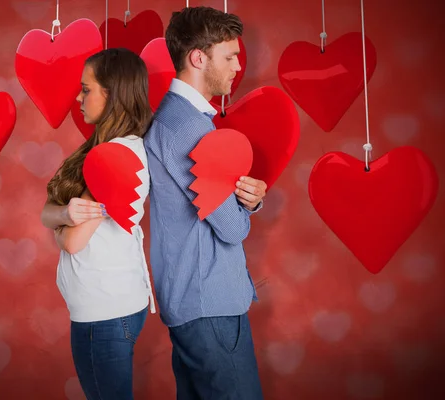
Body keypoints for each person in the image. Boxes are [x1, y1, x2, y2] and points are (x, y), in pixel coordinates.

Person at [143, 6, 267, 399]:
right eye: (229, 56)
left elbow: (215, 204)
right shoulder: (187, 127)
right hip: (209, 302)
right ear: (199, 58)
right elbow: (231, 228)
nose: (236, 66)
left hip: (195, 299)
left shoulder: (180, 119)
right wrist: (246, 209)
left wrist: (250, 199)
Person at [40, 48, 156, 400]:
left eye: (86, 89)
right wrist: (62, 217)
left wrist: (60, 224)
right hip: (109, 307)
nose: (79, 97)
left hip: (105, 312)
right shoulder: (105, 148)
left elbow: (72, 242)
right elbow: (49, 211)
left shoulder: (116, 156)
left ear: (112, 92)